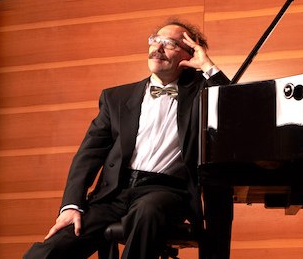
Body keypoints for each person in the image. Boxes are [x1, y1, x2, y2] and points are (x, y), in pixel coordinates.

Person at [24, 19, 231, 259]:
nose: (158, 47)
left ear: (189, 54)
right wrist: (71, 205)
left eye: (170, 43)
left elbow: (234, 108)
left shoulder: (202, 94)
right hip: (113, 194)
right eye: (155, 40)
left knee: (147, 212)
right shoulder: (116, 97)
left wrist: (207, 65)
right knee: (47, 252)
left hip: (164, 192)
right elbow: (88, 154)